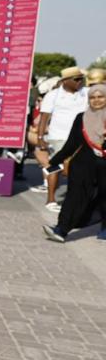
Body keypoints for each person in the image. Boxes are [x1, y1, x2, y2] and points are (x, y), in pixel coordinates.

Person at [41, 83, 106, 242]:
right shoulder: (81, 118)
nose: (96, 100)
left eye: (101, 97)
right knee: (74, 196)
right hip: (83, 164)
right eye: (92, 97)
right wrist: (54, 161)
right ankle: (61, 229)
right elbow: (72, 143)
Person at [38, 67, 88, 213]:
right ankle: (51, 200)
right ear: (65, 81)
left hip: (81, 137)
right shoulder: (53, 95)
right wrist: (40, 137)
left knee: (77, 168)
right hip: (58, 137)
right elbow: (44, 118)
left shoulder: (86, 93)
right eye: (76, 79)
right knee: (56, 167)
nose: (80, 82)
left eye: (81, 79)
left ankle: (76, 201)